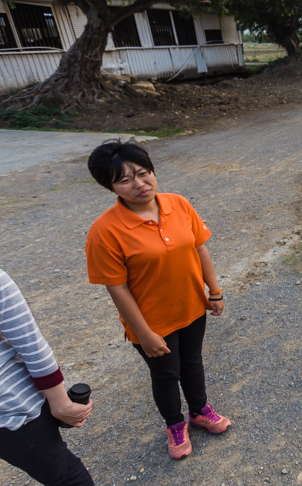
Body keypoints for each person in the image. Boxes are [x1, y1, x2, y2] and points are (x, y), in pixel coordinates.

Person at [85, 140, 230, 460]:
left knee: (192, 362)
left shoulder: (178, 204)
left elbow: (199, 248)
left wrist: (214, 291)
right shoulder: (105, 231)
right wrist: (145, 333)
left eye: (143, 172)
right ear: (110, 187)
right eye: (124, 179)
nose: (139, 183)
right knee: (166, 373)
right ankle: (175, 425)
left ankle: (199, 411)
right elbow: (117, 288)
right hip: (151, 322)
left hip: (192, 307)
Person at [0, 269, 119, 486]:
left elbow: (28, 342)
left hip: (12, 408)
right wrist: (60, 403)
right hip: (13, 407)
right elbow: (29, 341)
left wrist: (59, 402)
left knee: (62, 470)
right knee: (63, 473)